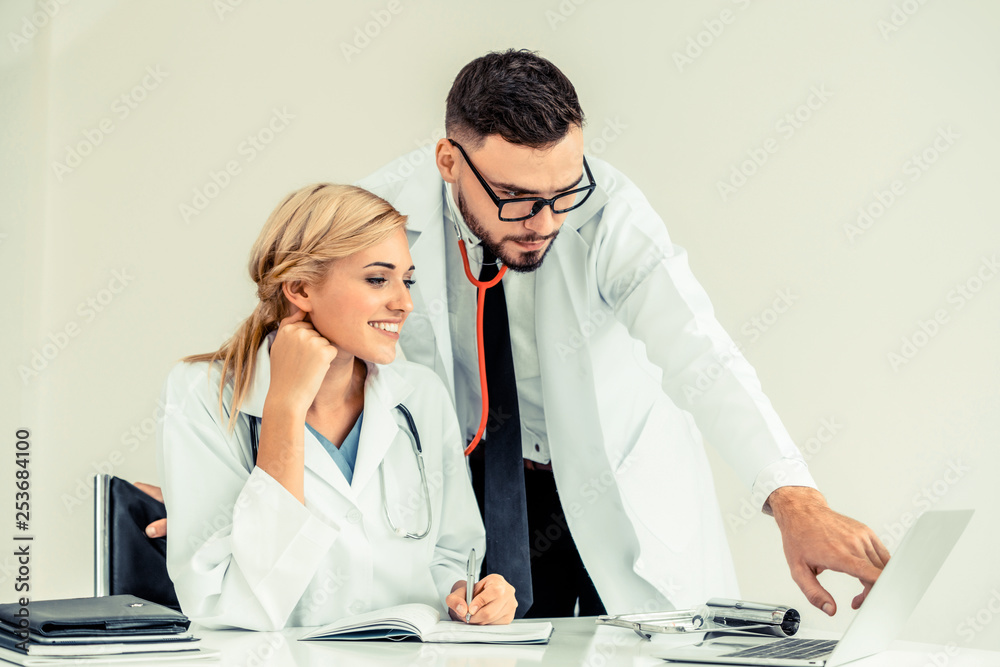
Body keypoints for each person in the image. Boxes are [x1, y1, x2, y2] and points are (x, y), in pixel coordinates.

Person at [146, 50, 890, 621]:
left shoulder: (610, 215)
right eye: (514, 198)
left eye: (562, 191)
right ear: (449, 162)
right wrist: (240, 482)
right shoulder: (386, 212)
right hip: (474, 494)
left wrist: (795, 499)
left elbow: (702, 352)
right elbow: (304, 304)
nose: (545, 221)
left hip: (609, 488)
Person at [154, 183, 516, 631]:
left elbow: (450, 555)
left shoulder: (421, 396)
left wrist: (473, 597)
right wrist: (284, 408)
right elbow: (224, 604)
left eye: (408, 280)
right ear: (301, 288)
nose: (404, 303)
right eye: (378, 279)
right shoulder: (203, 395)